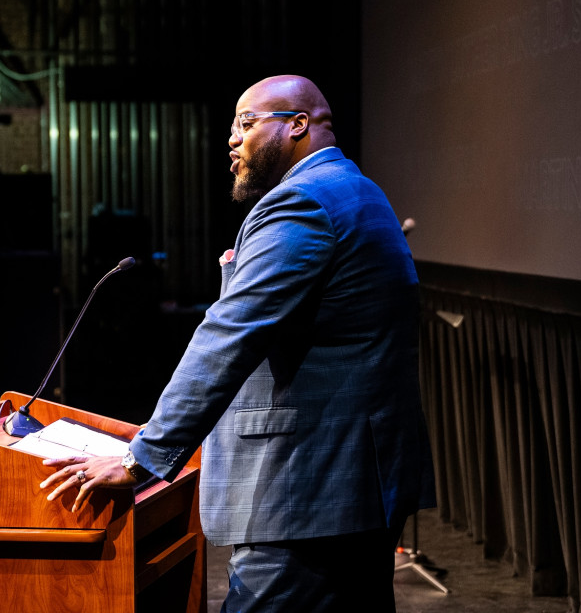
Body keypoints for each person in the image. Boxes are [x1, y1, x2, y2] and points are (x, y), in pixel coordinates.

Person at [40, 74, 435, 612]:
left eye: (247, 123)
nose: (232, 138)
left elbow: (227, 337)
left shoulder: (303, 203)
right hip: (358, 484)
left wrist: (142, 459)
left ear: (298, 125)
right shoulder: (358, 191)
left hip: (306, 492)